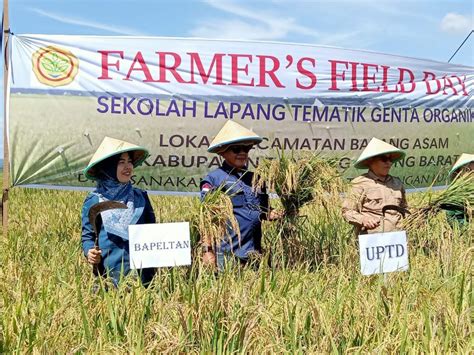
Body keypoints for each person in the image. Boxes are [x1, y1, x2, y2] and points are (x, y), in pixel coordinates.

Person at [200, 121, 282, 270]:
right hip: (226, 254)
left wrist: (279, 213)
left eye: (246, 148)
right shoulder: (214, 179)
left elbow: (265, 211)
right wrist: (207, 251)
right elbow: (206, 218)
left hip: (255, 253)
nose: (242, 153)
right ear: (222, 152)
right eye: (236, 149)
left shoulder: (257, 179)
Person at [81, 136, 156, 287]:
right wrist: (89, 252)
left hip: (142, 278)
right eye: (121, 162)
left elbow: (152, 230)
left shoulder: (140, 197)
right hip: (109, 276)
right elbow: (88, 236)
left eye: (129, 162)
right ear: (108, 167)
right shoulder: (95, 201)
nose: (128, 167)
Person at [342, 137, 408, 234]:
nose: (389, 163)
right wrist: (363, 220)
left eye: (390, 159)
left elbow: (405, 209)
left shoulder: (397, 183)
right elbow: (347, 212)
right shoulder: (359, 184)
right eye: (384, 159)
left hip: (397, 240)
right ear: (371, 161)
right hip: (372, 242)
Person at [441, 153, 474, 226]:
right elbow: (455, 220)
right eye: (469, 171)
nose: (472, 175)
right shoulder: (454, 195)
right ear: (459, 173)